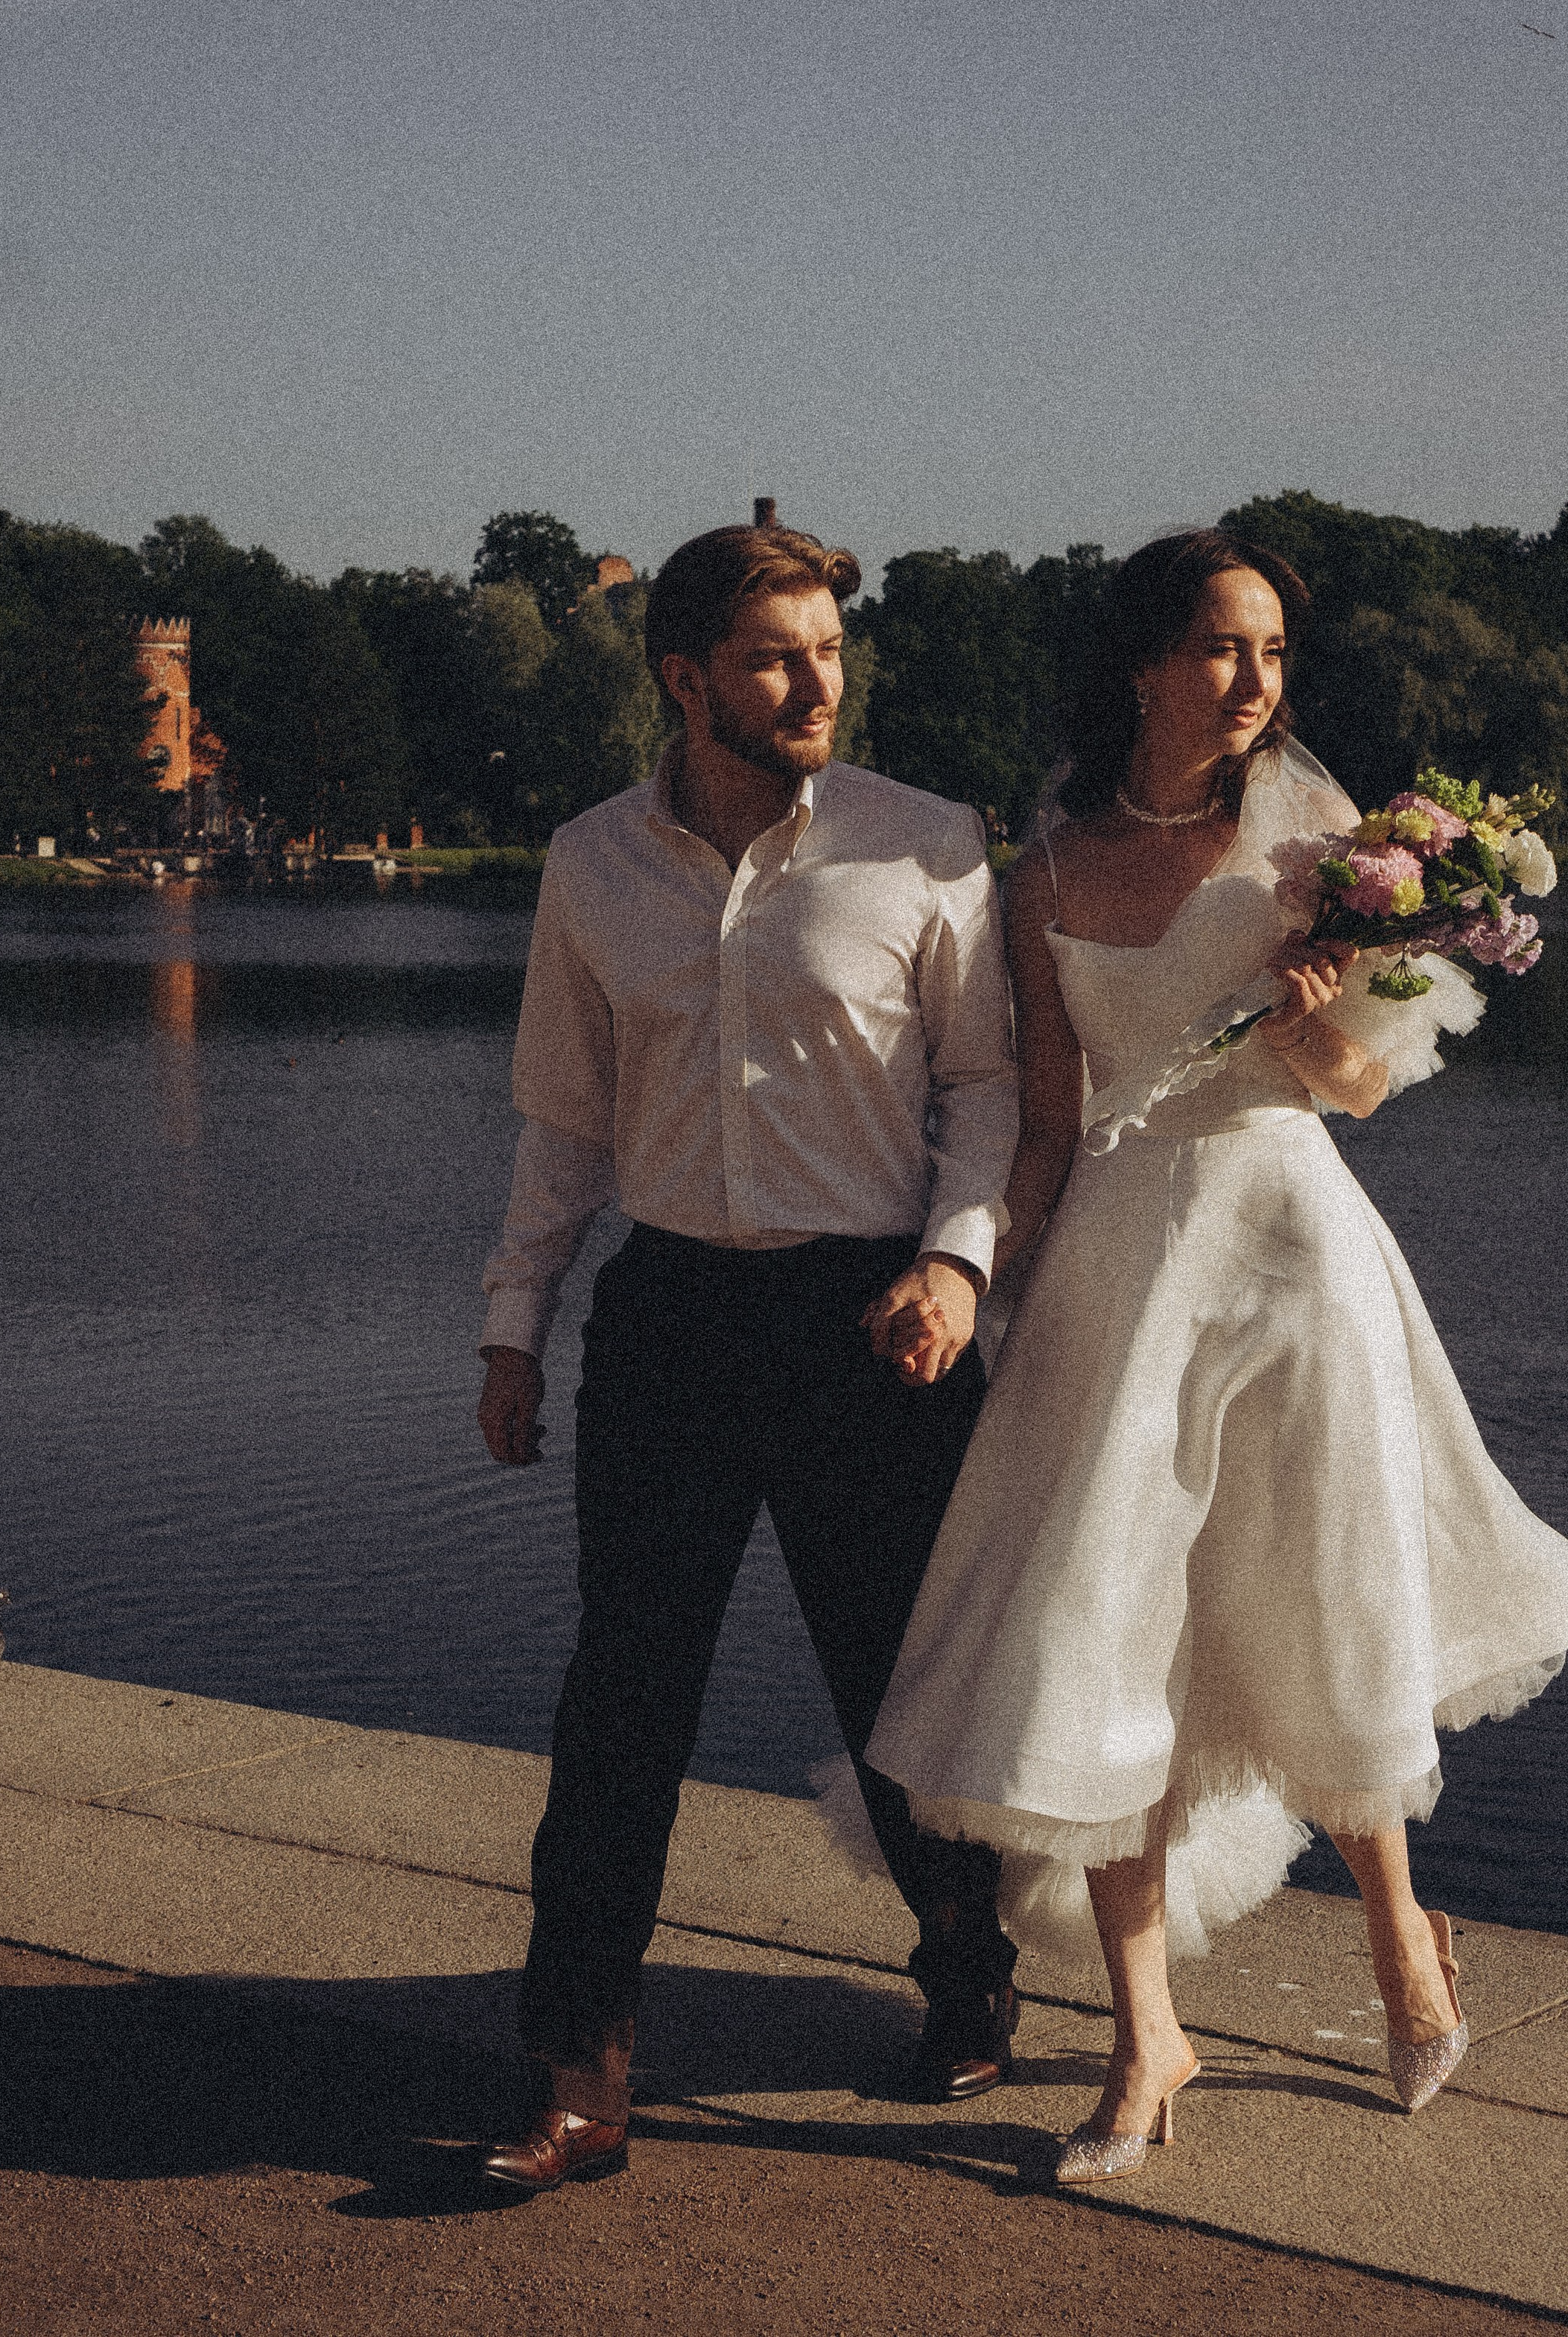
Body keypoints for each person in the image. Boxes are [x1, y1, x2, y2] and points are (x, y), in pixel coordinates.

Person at [863, 528, 1568, 2184]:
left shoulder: (1319, 849)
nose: (1257, 683)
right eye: (1225, 650)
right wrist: (962, 1271)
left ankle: (1403, 1939)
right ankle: (1146, 2030)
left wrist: (1309, 998)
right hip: (1115, 1276)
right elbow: (1043, 1131)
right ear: (1143, 667)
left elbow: (1356, 1088)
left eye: (1272, 654)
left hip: (1291, 1259)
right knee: (1110, 1637)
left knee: (1318, 1596)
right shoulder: (1038, 876)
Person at [474, 519, 1023, 2192]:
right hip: (671, 1324)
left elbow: (989, 1089)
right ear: (687, 676)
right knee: (623, 1700)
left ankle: (969, 1978)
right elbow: (563, 1124)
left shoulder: (925, 849)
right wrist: (517, 1327)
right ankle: (581, 2065)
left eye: (831, 656)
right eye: (780, 658)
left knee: (899, 1693)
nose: (816, 686)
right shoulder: (593, 866)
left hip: (875, 1326)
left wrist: (955, 1262)